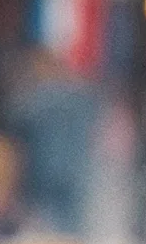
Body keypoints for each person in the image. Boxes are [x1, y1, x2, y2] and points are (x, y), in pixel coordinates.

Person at [7, 47, 98, 234]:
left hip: (43, 173)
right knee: (70, 227)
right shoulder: (83, 97)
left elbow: (13, 115)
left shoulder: (39, 97)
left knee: (41, 227)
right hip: (74, 172)